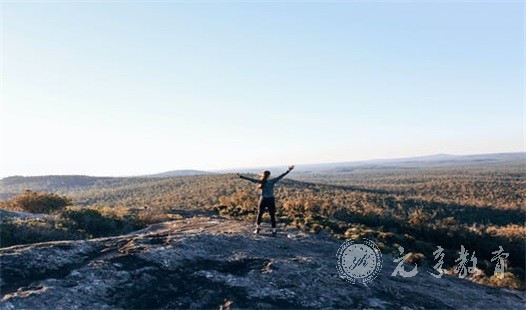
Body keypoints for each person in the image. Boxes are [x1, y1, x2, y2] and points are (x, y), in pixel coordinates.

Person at [237, 165, 295, 236]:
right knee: (272, 215)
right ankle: (274, 231)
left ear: (263, 175)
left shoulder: (261, 182)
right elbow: (281, 176)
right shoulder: (272, 181)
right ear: (269, 175)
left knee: (260, 214)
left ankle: (257, 229)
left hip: (263, 199)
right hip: (271, 200)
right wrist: (288, 170)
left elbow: (251, 179)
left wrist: (242, 177)